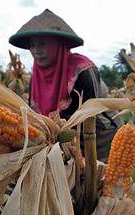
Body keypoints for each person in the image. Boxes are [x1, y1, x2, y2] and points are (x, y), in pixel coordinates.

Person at [9, 9, 120, 162]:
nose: (36, 51)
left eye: (42, 44)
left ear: (58, 45)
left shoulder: (83, 70)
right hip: (59, 143)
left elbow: (89, 116)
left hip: (96, 139)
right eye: (32, 45)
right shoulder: (37, 74)